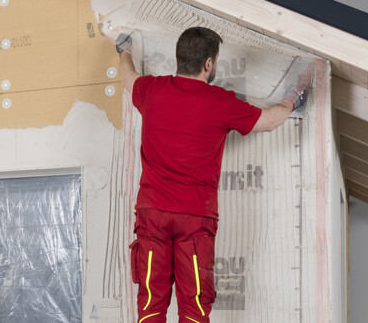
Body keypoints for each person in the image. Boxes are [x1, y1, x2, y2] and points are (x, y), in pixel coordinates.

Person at [116, 27, 306, 323]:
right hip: (194, 219)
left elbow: (127, 77)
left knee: (151, 304)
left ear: (180, 59)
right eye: (215, 60)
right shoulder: (220, 102)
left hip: (152, 213)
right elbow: (269, 121)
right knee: (194, 309)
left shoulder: (150, 90)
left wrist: (123, 50)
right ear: (208, 64)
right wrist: (293, 99)